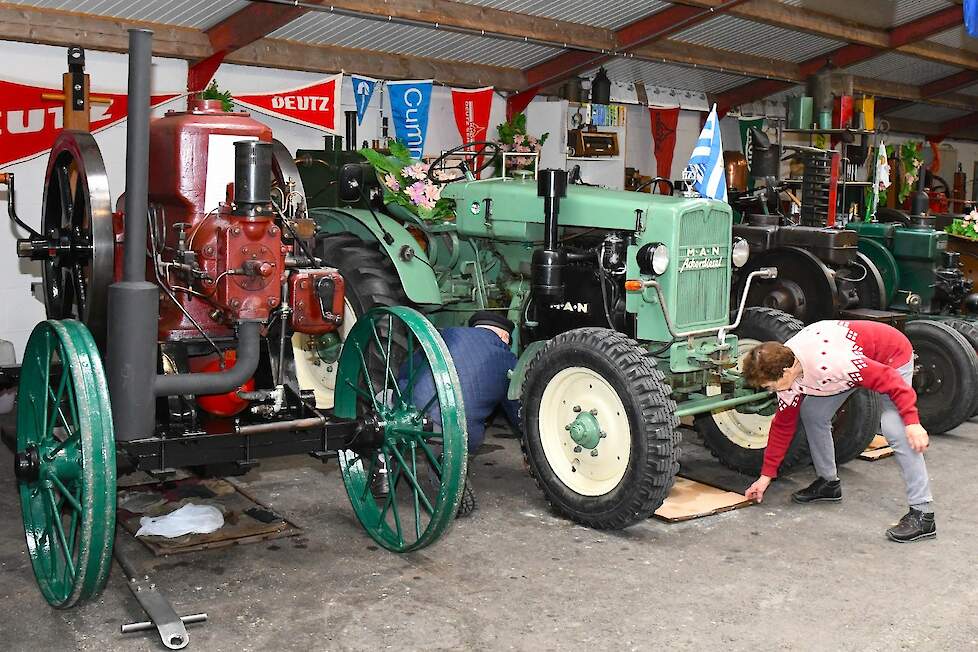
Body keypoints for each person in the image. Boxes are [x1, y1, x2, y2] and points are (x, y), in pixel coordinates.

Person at [741, 319, 935, 543]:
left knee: (896, 429)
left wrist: (912, 422)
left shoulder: (832, 364)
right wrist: (765, 477)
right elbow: (782, 426)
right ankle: (828, 483)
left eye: (768, 386)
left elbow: (891, 382)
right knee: (813, 413)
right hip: (853, 360)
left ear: (785, 372)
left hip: (890, 354)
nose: (769, 391)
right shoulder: (789, 376)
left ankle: (923, 514)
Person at [397, 311, 521, 517]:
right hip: (462, 436)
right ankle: (448, 467)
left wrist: (404, 393)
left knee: (387, 396)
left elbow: (408, 369)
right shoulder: (509, 361)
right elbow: (516, 410)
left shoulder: (448, 335)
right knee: (461, 424)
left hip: (413, 419)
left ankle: (384, 466)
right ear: (505, 337)